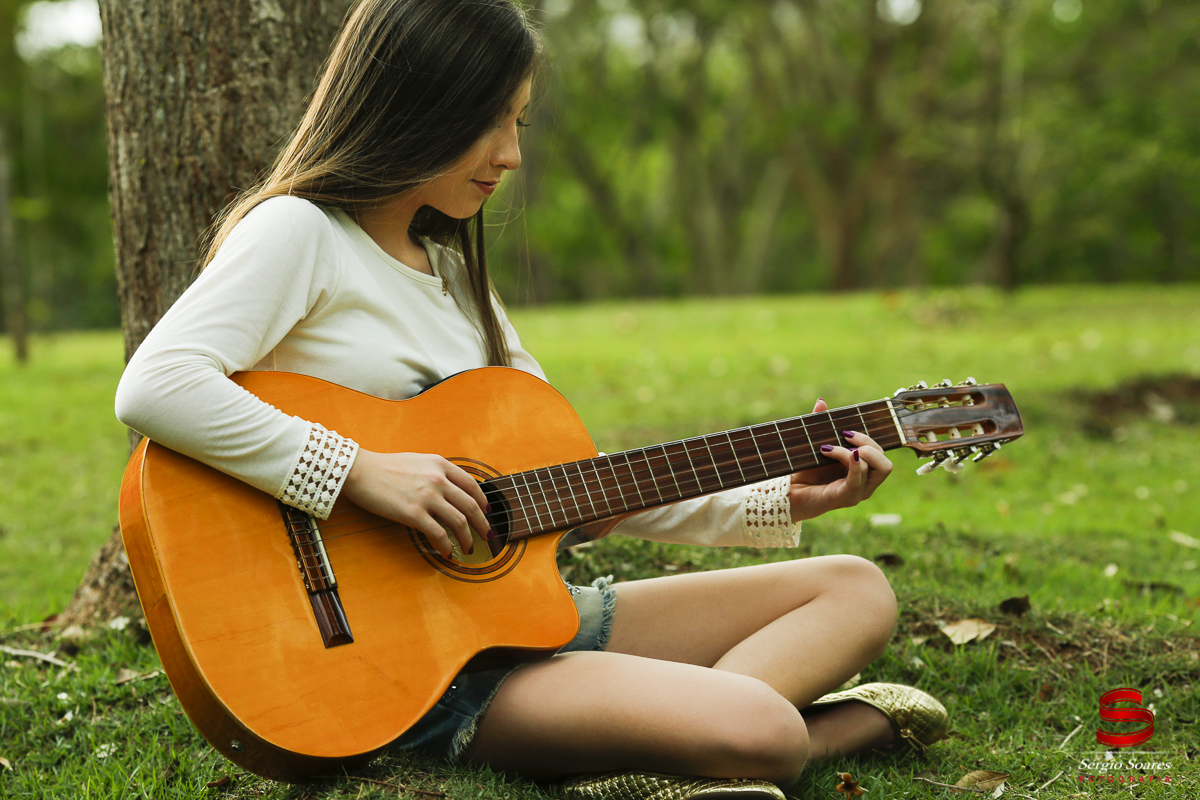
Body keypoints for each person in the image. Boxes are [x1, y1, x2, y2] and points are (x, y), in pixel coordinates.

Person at [114, 1, 948, 797]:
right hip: (414, 675)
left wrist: (778, 495)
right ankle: (754, 733)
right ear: (416, 106)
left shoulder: (452, 284)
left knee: (855, 590)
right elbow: (157, 385)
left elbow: (573, 486)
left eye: (518, 120)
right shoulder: (300, 233)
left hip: (527, 620)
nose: (512, 153)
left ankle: (675, 748)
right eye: (494, 120)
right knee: (764, 728)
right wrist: (359, 471)